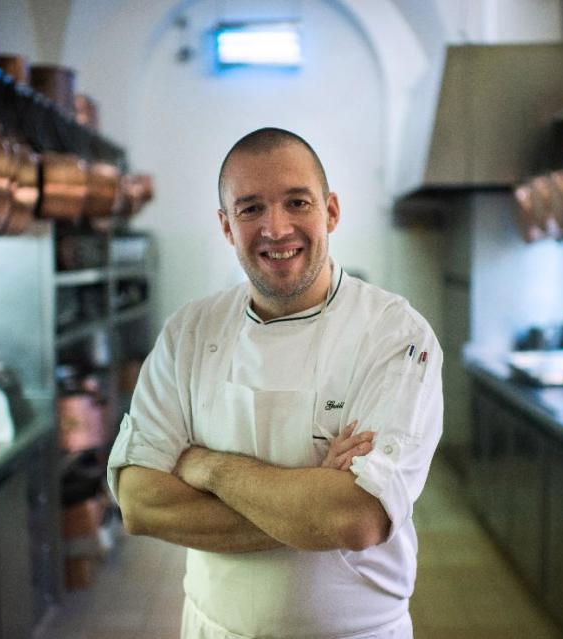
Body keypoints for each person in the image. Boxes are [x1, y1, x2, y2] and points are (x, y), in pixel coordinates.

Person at [107, 127, 443, 639]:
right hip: (211, 628)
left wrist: (204, 465)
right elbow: (139, 501)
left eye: (297, 202)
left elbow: (355, 519)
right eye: (250, 209)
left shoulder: (395, 335)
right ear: (226, 226)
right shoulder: (190, 333)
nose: (276, 228)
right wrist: (309, 510)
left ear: (330, 211)